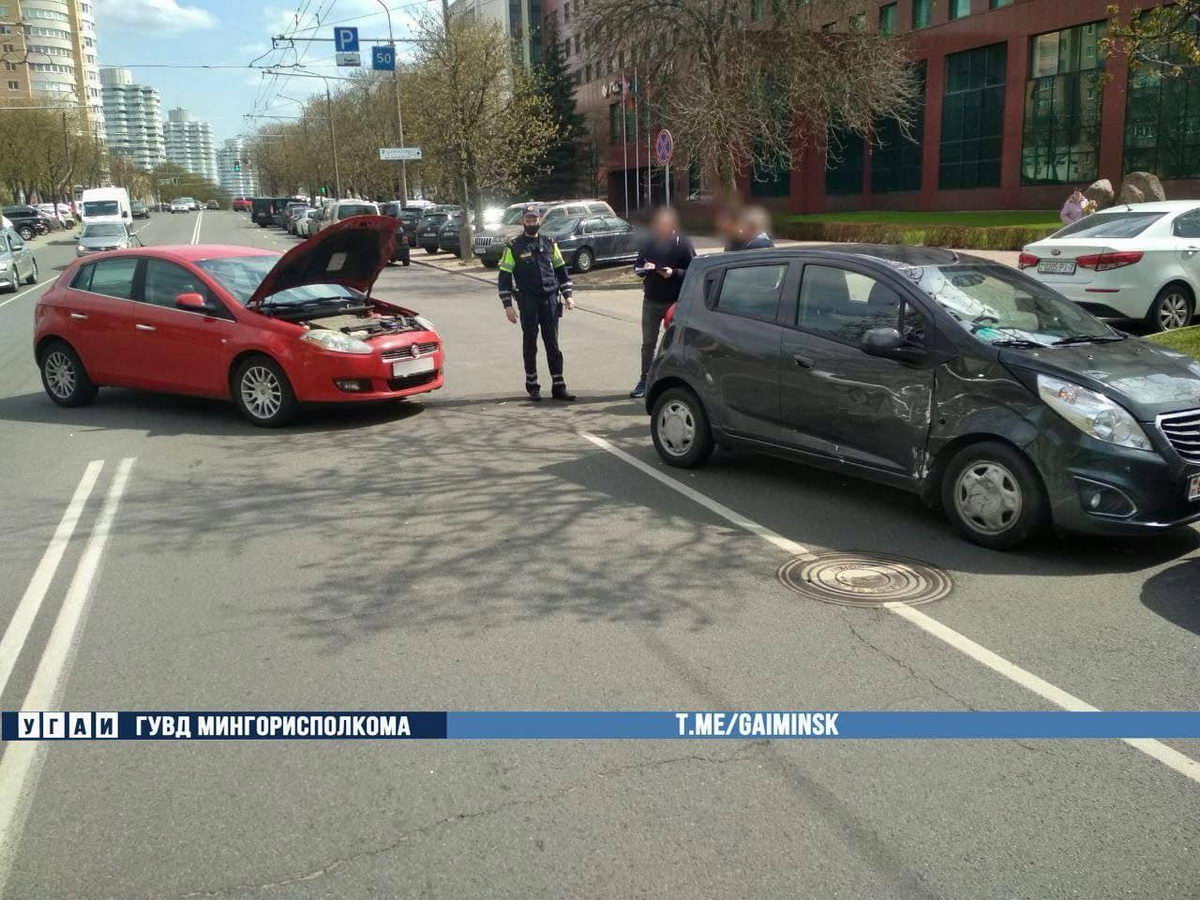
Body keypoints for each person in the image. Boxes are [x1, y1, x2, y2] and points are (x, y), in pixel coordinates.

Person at [497, 205, 576, 401]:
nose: (532, 223)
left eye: (535, 219)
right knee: (530, 343)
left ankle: (559, 386)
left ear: (540, 221)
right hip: (528, 301)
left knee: (553, 344)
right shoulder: (513, 246)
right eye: (528, 220)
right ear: (522, 221)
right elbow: (504, 277)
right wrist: (508, 306)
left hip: (549, 299)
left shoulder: (550, 242)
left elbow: (560, 270)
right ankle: (533, 386)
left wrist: (568, 295)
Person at [630, 207, 696, 399]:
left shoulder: (683, 244)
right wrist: (644, 269)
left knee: (673, 343)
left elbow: (693, 270)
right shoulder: (650, 243)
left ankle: (672, 381)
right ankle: (645, 380)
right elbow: (637, 266)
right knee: (648, 343)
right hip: (651, 300)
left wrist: (673, 273)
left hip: (674, 303)